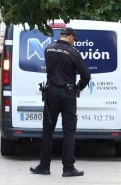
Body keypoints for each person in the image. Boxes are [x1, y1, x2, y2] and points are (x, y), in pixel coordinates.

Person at [30, 27, 91, 177]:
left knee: (48, 130)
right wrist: (78, 87)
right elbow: (86, 75)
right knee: (69, 131)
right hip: (68, 95)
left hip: (51, 94)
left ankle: (44, 166)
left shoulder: (48, 49)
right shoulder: (73, 53)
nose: (74, 42)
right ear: (70, 37)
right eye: (74, 39)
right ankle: (68, 168)